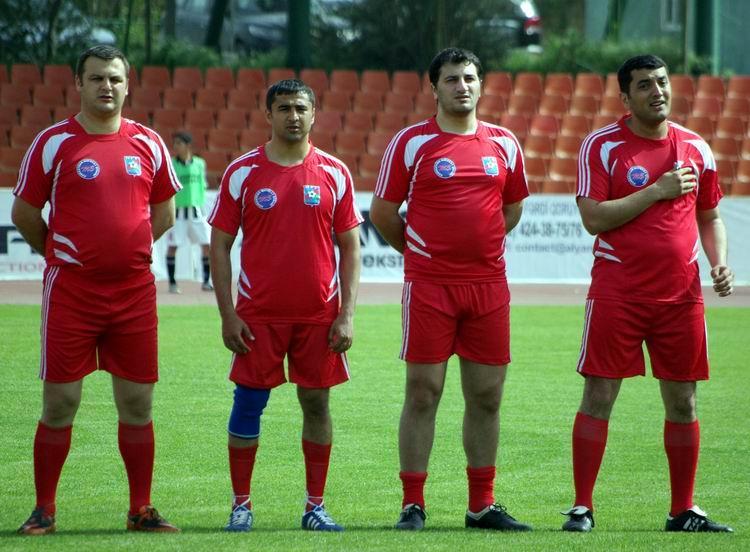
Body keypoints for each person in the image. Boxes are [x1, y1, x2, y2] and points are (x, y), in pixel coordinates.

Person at [11, 45, 181, 535]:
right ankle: (44, 510)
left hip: (134, 294)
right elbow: (24, 213)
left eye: (114, 78)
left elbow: (165, 213)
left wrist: (128, 250)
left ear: (128, 85)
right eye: (96, 78)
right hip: (73, 293)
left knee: (137, 404)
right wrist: (59, 253)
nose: (106, 86)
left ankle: (140, 509)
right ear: (79, 84)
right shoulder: (53, 142)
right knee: (60, 403)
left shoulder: (149, 143)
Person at [561, 54, 734, 533]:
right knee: (599, 393)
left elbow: (710, 216)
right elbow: (593, 217)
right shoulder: (602, 146)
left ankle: (683, 510)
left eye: (661, 82)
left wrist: (718, 262)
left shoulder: (696, 147)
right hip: (618, 290)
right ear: (626, 97)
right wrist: (656, 190)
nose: (657, 92)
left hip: (681, 296)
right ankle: (582, 507)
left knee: (684, 401)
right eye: (644, 85)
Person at [369, 47, 531, 532]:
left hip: (488, 286)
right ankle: (412, 503)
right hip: (430, 287)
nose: (462, 86)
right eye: (452, 79)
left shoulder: (504, 143)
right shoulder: (411, 143)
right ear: (434, 88)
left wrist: (477, 247)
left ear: (481, 85)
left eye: (470, 78)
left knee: (487, 396)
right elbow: (382, 213)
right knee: (423, 392)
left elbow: (512, 209)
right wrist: (422, 254)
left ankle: (482, 505)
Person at [208, 79, 362, 533]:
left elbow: (350, 247)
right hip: (257, 316)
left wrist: (347, 313)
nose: (292, 116)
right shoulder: (243, 172)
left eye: (300, 108)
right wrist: (228, 314)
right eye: (283, 108)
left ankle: (315, 506)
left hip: (319, 314)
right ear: (268, 114)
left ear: (314, 115)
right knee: (248, 404)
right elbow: (220, 245)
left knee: (316, 404)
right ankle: (241, 506)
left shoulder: (334, 172)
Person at [164, 130, 213, 293]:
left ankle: (206, 281)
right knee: (172, 247)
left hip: (196, 212)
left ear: (188, 145)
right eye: (175, 143)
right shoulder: (172, 164)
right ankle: (172, 283)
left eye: (179, 143)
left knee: (206, 245)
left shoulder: (200, 164)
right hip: (179, 213)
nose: (176, 146)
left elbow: (202, 186)